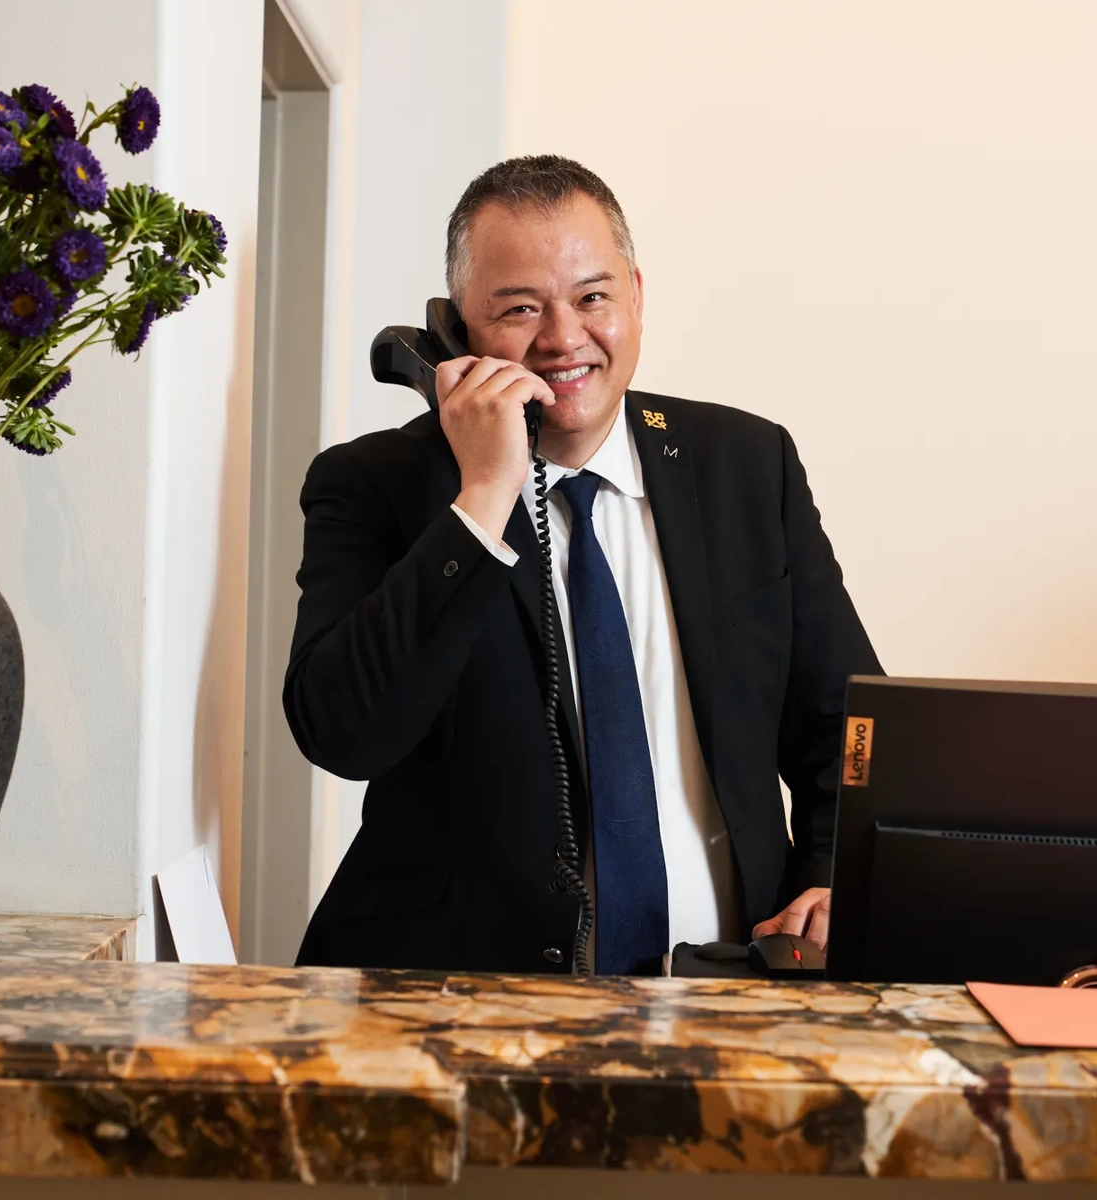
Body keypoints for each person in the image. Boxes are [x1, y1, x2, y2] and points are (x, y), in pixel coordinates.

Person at [284, 155, 882, 975]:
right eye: (520, 309)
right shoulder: (374, 485)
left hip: (732, 994)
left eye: (592, 297)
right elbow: (343, 733)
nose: (564, 339)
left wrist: (829, 879)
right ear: (456, 329)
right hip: (456, 1002)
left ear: (637, 295)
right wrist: (484, 497)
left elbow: (849, 729)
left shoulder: (747, 465)